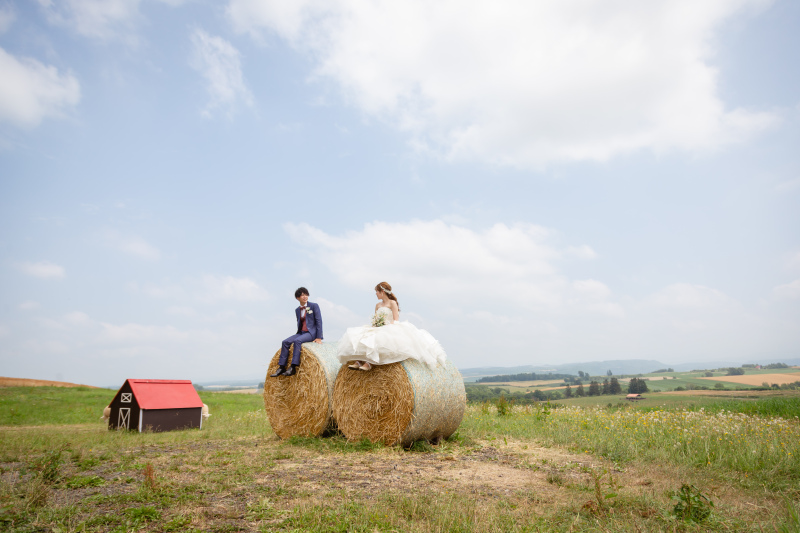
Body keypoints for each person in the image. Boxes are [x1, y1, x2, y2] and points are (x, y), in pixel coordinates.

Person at [337, 281, 446, 371]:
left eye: (377, 292)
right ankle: (358, 361)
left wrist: (385, 326)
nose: (376, 294)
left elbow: (396, 319)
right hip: (378, 327)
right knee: (362, 337)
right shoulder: (377, 305)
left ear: (382, 292)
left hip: (389, 326)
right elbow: (375, 318)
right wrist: (376, 325)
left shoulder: (392, 303)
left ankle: (369, 363)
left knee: (379, 339)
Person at [271, 287, 323, 377]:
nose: (305, 296)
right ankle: (282, 367)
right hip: (301, 333)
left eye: (306, 294)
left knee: (297, 341)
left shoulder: (314, 306)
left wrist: (319, 337)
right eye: (302, 295)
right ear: (297, 298)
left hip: (311, 333)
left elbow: (319, 321)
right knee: (285, 342)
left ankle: (293, 367)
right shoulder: (297, 310)